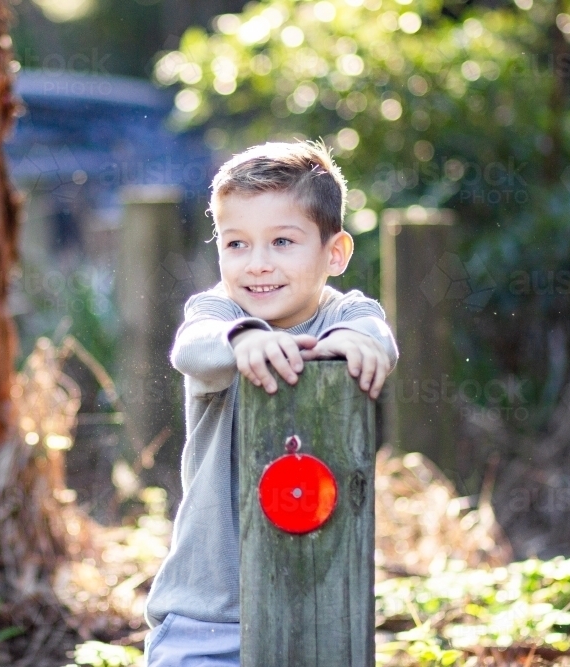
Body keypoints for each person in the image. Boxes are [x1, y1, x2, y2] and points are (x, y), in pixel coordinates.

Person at [142, 140, 399, 666]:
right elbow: (191, 348)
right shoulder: (219, 313)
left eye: (282, 241)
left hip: (319, 609)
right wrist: (242, 339)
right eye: (237, 244)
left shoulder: (345, 314)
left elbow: (377, 339)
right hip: (209, 614)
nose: (257, 264)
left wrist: (360, 344)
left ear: (334, 252)